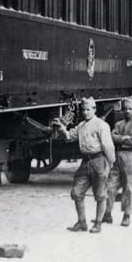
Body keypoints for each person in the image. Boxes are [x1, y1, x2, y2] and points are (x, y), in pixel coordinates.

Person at [54, 97, 114, 233]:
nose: (86, 112)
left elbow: (108, 146)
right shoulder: (81, 126)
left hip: (99, 160)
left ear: (94, 109)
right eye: (83, 110)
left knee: (100, 194)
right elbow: (69, 137)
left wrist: (110, 163)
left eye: (88, 109)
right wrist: (62, 128)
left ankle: (98, 223)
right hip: (86, 162)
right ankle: (82, 222)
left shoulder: (101, 125)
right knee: (77, 192)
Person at [103, 97, 132, 226]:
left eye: (130, 109)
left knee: (129, 187)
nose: (127, 111)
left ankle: (127, 215)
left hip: (131, 157)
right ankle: (107, 213)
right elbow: (111, 137)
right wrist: (126, 138)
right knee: (110, 186)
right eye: (125, 109)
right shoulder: (118, 124)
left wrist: (120, 138)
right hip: (117, 156)